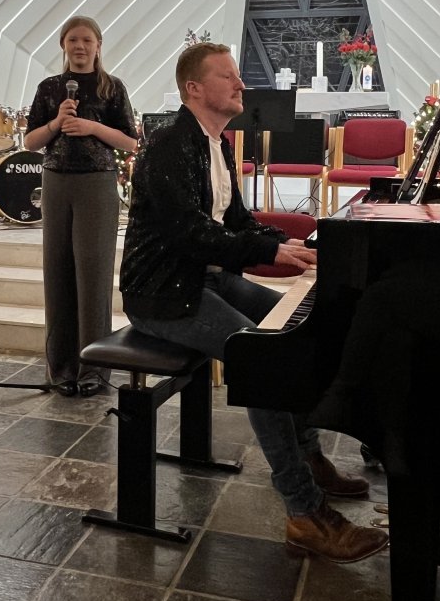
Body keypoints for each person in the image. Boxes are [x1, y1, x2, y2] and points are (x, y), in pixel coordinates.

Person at [119, 42, 388, 562]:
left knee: (299, 332)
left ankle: (308, 457)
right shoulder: (169, 145)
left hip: (206, 282)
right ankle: (304, 513)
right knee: (264, 361)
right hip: (162, 294)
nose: (242, 85)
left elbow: (236, 220)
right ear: (194, 88)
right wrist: (269, 250)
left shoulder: (216, 144)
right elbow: (190, 233)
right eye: (228, 77)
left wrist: (291, 243)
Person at [25, 15, 138, 397]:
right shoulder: (49, 88)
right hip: (56, 182)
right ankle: (60, 369)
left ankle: (95, 370)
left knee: (93, 276)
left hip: (96, 184)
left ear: (98, 46)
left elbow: (131, 142)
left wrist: (92, 127)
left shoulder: (112, 88)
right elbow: (30, 142)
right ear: (63, 45)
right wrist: (57, 122)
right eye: (73, 39)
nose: (80, 46)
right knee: (57, 273)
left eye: (87, 40)